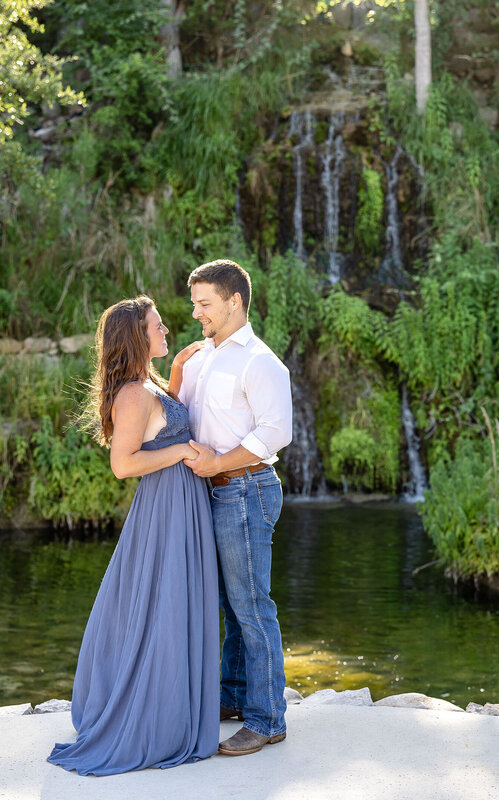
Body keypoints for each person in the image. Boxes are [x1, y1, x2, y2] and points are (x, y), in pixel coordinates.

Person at [47, 295, 218, 775]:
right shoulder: (133, 393)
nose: (167, 331)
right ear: (137, 335)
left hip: (180, 504)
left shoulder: (150, 383)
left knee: (171, 603)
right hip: (165, 508)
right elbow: (124, 464)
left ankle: (174, 706)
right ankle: (151, 716)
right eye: (158, 326)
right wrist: (184, 450)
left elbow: (164, 423)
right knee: (160, 605)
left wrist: (179, 366)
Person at [175, 259, 293, 757]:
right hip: (213, 490)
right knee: (227, 604)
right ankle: (234, 696)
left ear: (234, 302)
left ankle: (268, 720)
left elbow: (275, 432)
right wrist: (177, 369)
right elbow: (180, 413)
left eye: (204, 303)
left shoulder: (260, 361)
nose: (196, 312)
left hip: (246, 487)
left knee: (251, 605)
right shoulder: (201, 356)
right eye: (195, 303)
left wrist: (221, 460)